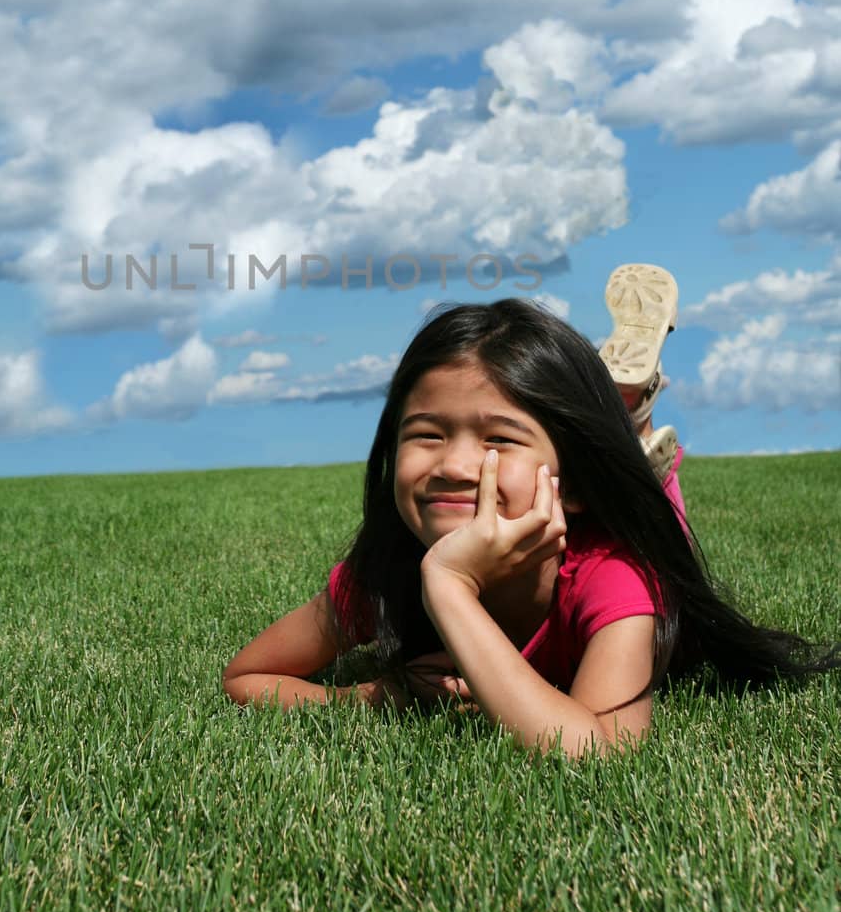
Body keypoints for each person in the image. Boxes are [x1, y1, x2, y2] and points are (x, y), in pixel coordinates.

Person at [222, 268, 840, 758]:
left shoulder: (615, 579)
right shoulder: (384, 571)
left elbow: (597, 753)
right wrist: (370, 697)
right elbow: (246, 677)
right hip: (574, 484)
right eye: (427, 434)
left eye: (498, 440)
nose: (455, 465)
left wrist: (450, 586)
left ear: (567, 487)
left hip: (613, 526)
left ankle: (632, 421)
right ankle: (619, 417)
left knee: (652, 513)